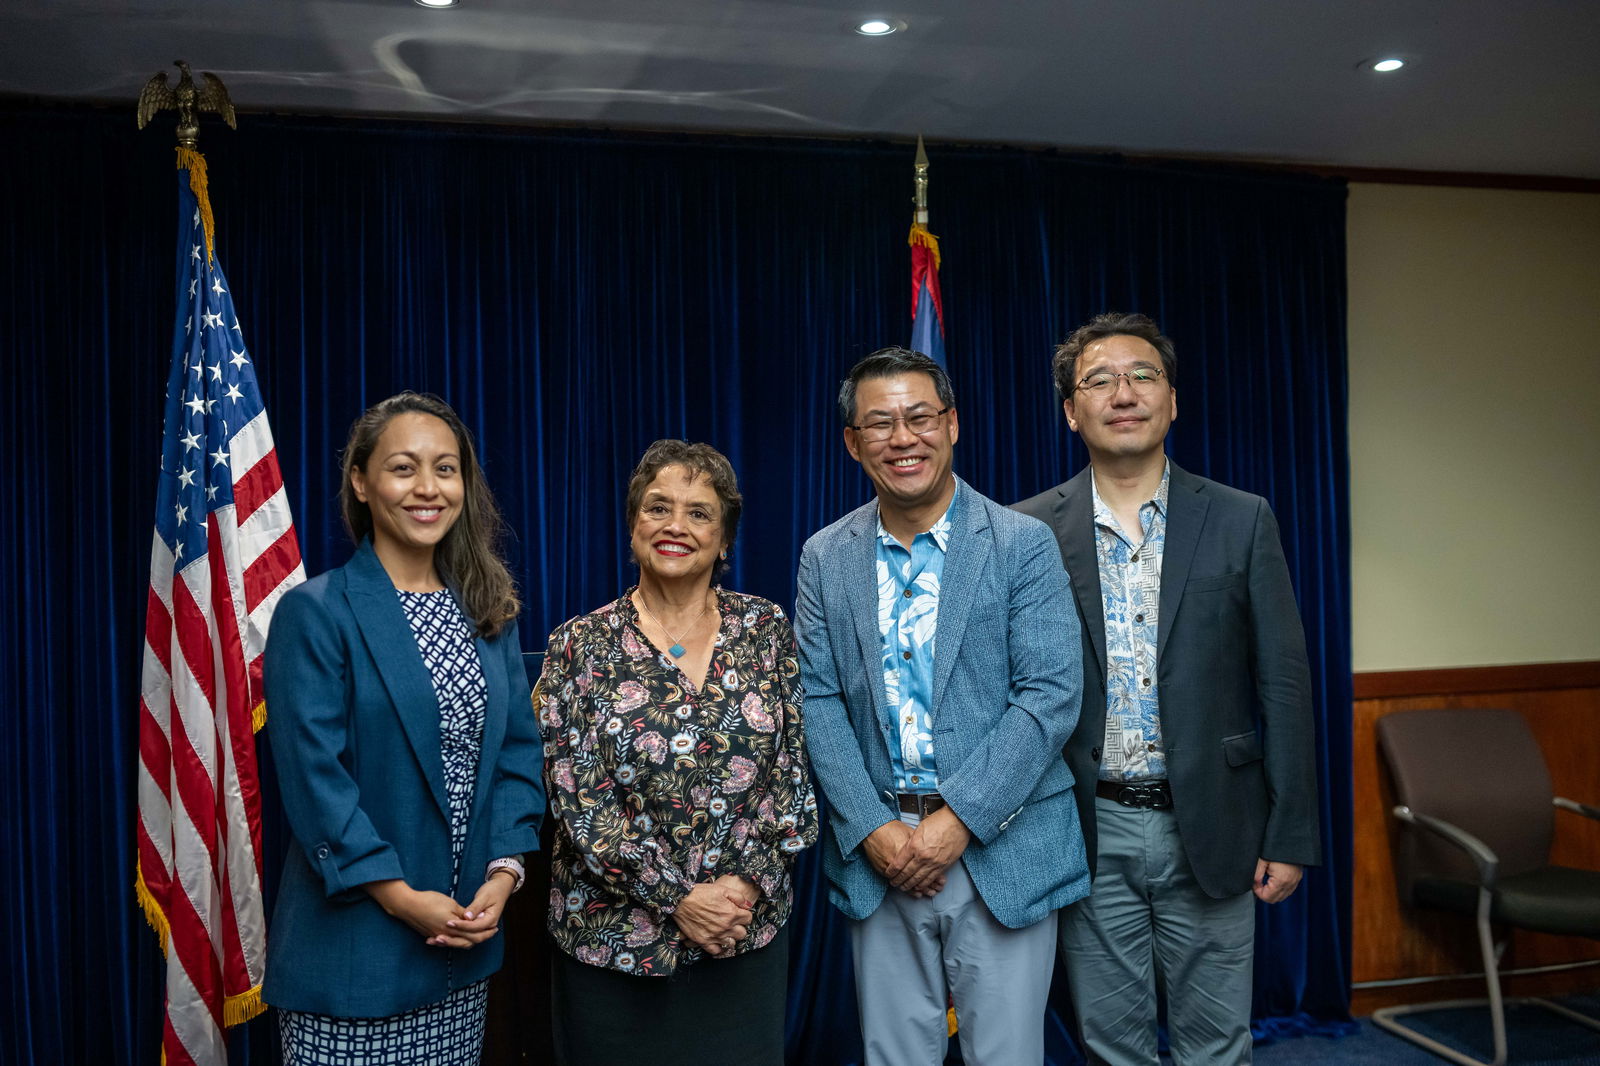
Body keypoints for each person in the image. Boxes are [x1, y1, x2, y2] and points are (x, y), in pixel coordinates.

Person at [1013, 312, 1321, 1065]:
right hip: (1089, 825)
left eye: (1143, 375)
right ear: (1071, 410)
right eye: (1100, 381)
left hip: (1214, 821)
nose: (1124, 393)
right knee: (1111, 1047)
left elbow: (1282, 684)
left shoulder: (1241, 519)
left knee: (1217, 1045)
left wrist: (1289, 833)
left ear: (1173, 401)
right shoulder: (1027, 532)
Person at [796, 347, 1088, 1066]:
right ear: (852, 442)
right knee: (894, 1056)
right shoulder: (825, 556)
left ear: (951, 425)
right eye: (880, 423)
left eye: (920, 417)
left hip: (1003, 849)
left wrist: (958, 821)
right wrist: (872, 830)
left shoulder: (1022, 544)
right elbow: (817, 699)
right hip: (880, 854)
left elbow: (1050, 695)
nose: (903, 438)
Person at [262, 392, 545, 1066]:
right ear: (361, 482)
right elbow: (316, 783)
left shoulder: (489, 612)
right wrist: (402, 898)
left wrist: (503, 876)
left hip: (461, 955)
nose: (427, 488)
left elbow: (516, 754)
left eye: (445, 469)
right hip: (353, 957)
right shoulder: (316, 613)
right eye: (403, 468)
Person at [537, 439, 818, 1066]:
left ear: (724, 539)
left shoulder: (765, 628)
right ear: (633, 523)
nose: (675, 525)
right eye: (658, 507)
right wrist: (680, 900)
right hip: (615, 947)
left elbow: (792, 774)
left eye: (699, 513)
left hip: (741, 933)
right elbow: (579, 802)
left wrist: (739, 888)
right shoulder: (578, 645)